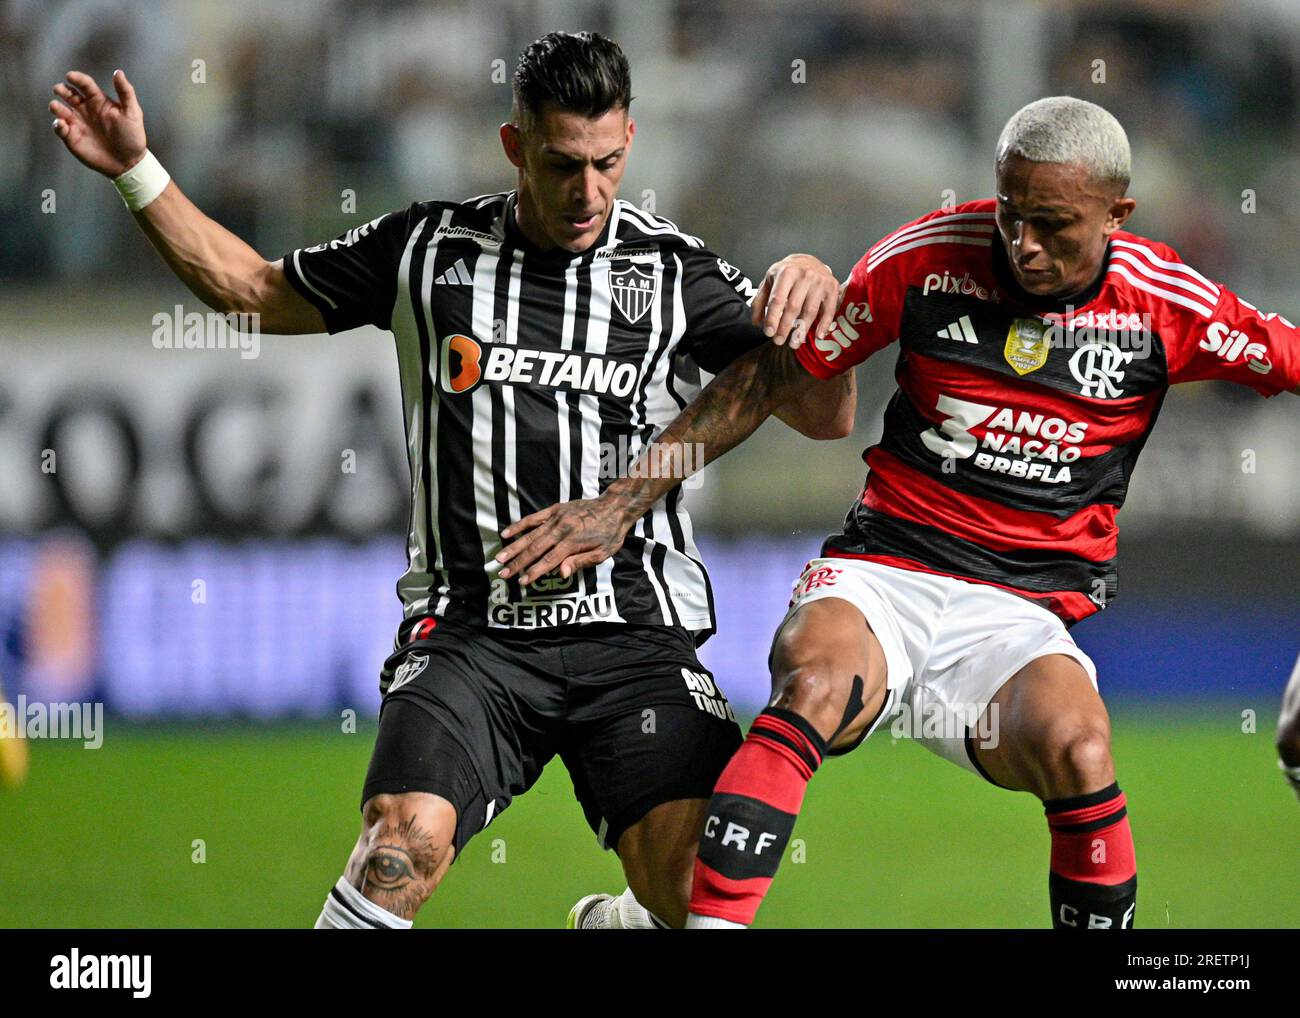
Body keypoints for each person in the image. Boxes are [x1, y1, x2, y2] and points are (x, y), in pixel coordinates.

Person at [49, 30, 850, 929]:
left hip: (634, 638)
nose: (588, 192)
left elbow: (824, 411)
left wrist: (815, 294)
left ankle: (616, 923)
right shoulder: (429, 252)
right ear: (515, 147)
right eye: (561, 164)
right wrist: (137, 171)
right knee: (400, 848)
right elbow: (250, 288)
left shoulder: (672, 270)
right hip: (474, 635)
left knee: (698, 897)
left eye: (608, 162)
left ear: (631, 141)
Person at [497, 96, 1300, 929]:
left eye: (1052, 224)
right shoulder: (928, 257)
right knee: (811, 683)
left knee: (1083, 749)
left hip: (1020, 617)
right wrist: (621, 503)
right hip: (887, 574)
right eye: (1011, 212)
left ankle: (629, 925)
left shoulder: (1169, 303)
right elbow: (777, 376)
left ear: (1116, 214)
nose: (1022, 243)